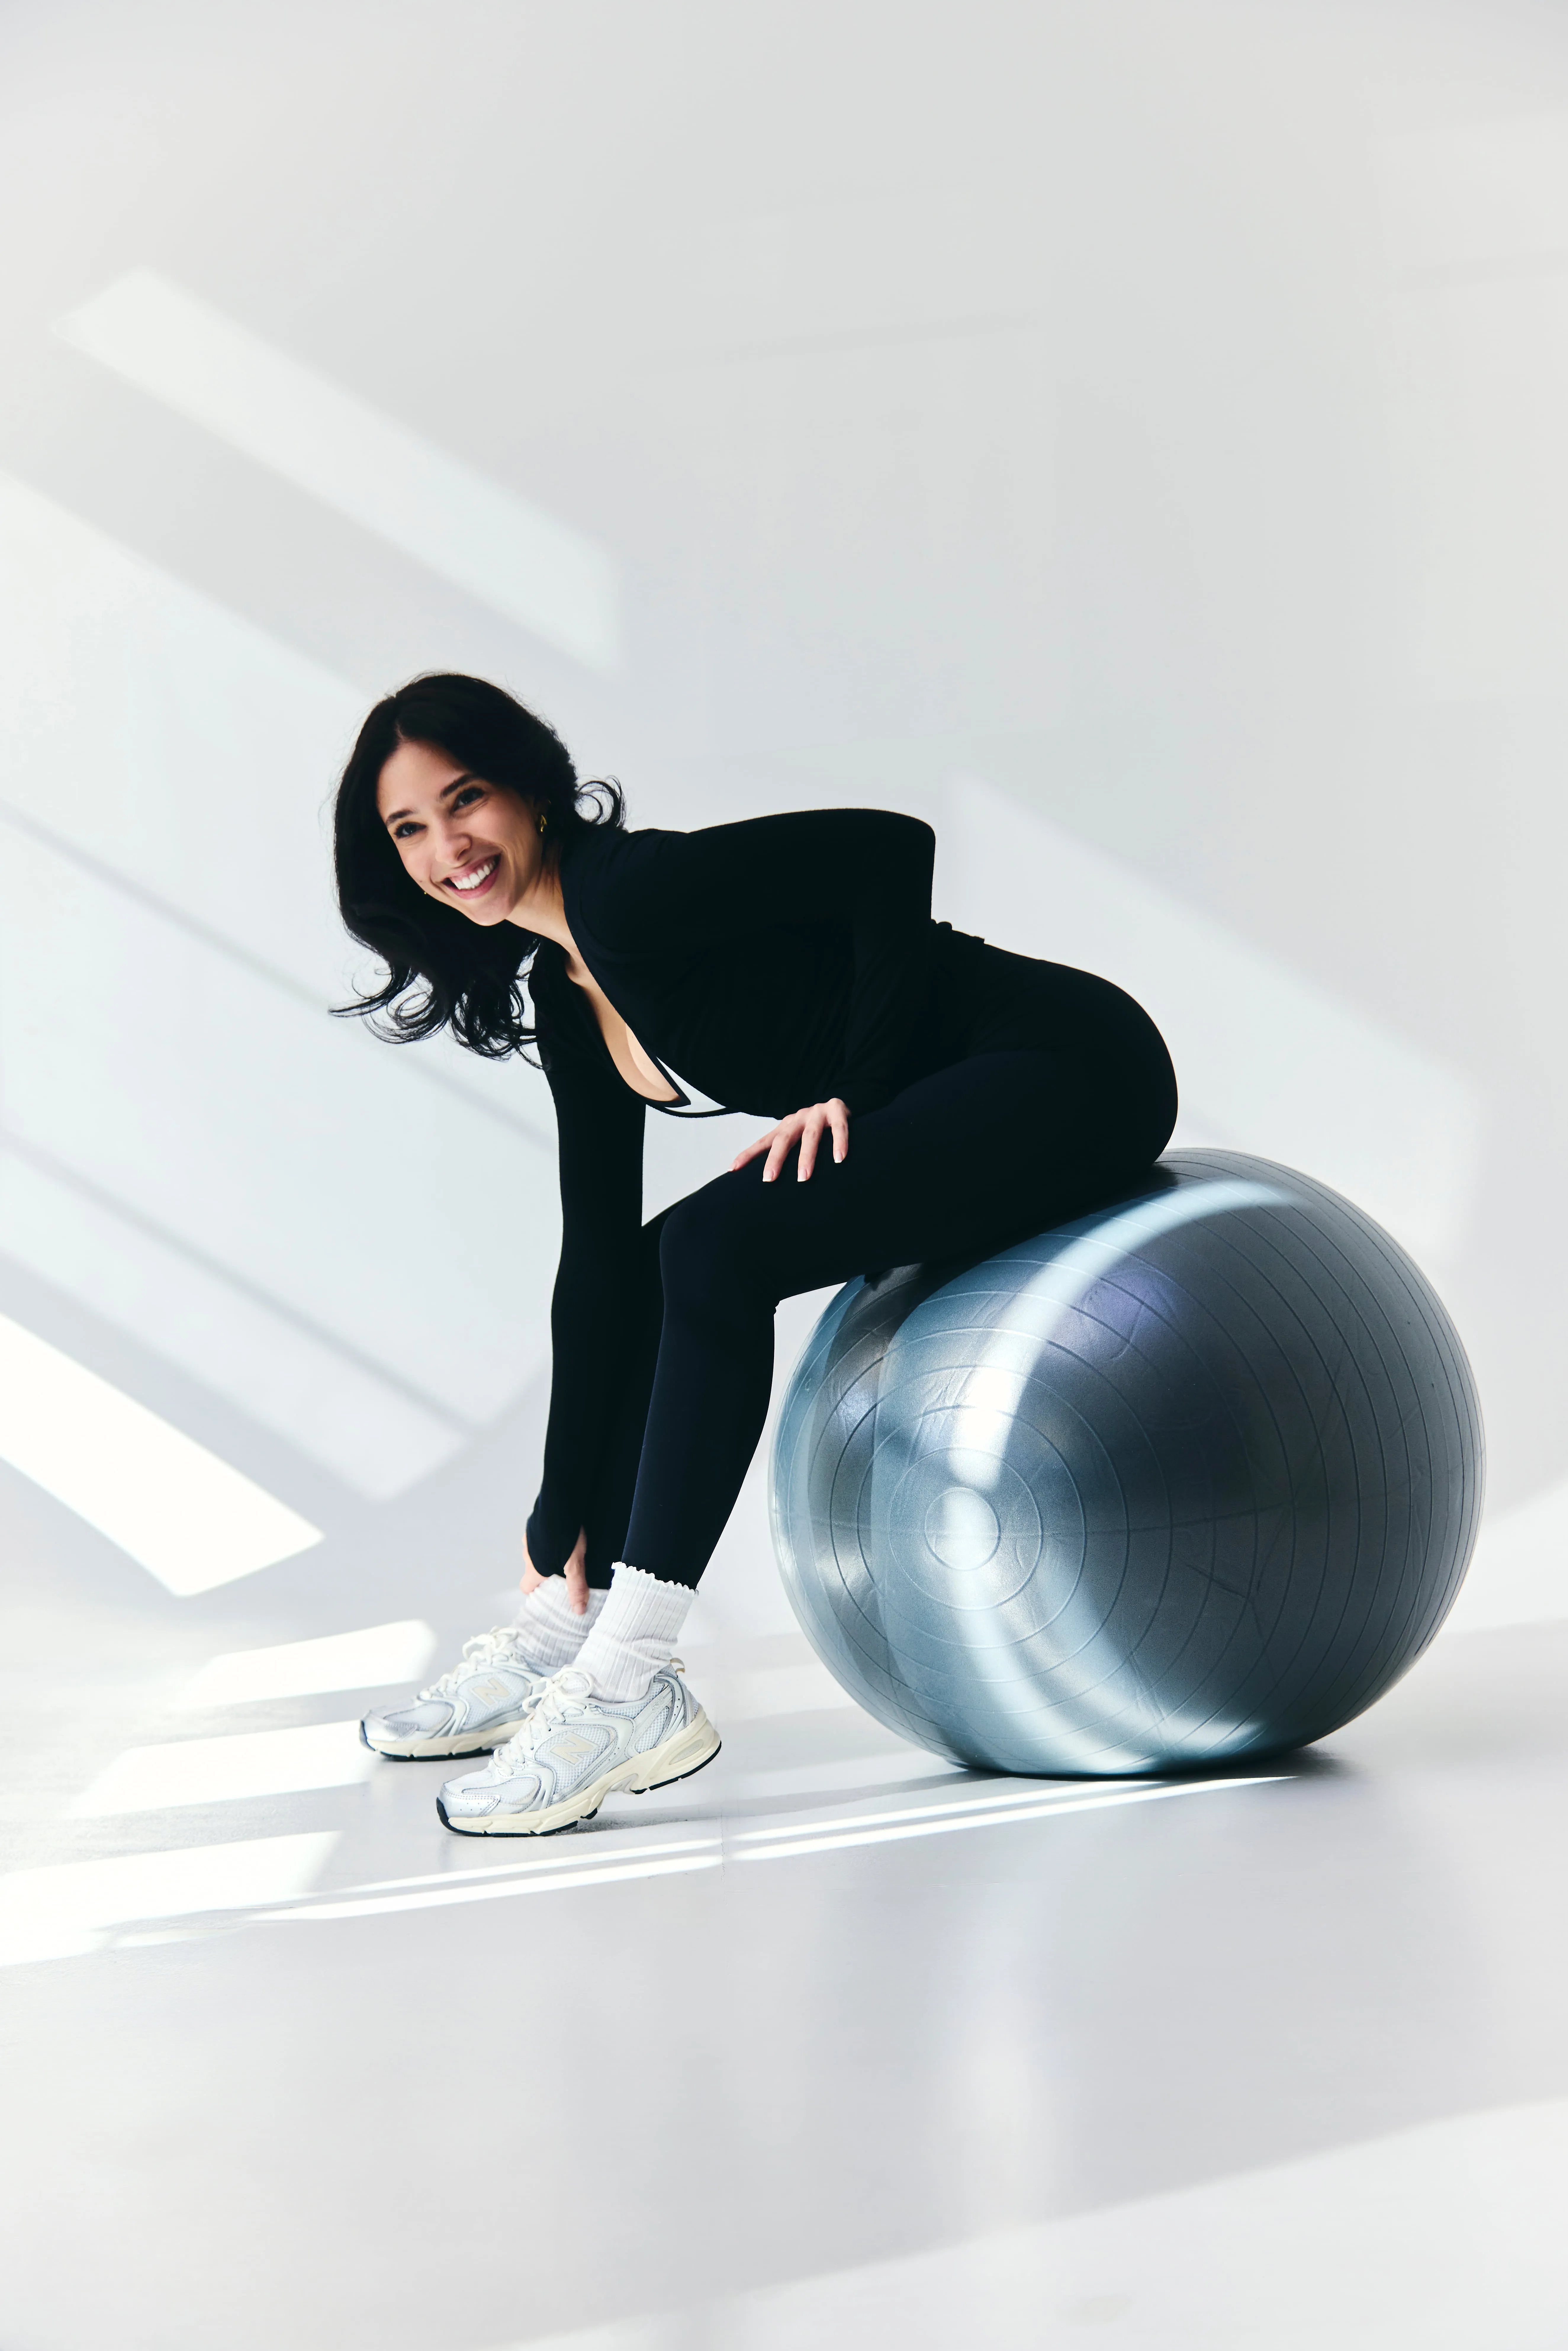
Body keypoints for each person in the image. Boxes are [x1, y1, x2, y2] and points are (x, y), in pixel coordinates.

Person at [333, 674, 1177, 1836]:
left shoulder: (631, 893)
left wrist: (857, 1096)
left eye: (464, 798)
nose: (448, 844)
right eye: (410, 828)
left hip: (1070, 1065)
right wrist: (553, 1517)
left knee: (722, 1247)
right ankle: (559, 1627)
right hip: (974, 1101)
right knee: (658, 1256)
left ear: (531, 784)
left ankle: (632, 1677)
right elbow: (596, 1265)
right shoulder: (569, 985)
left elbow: (890, 849)